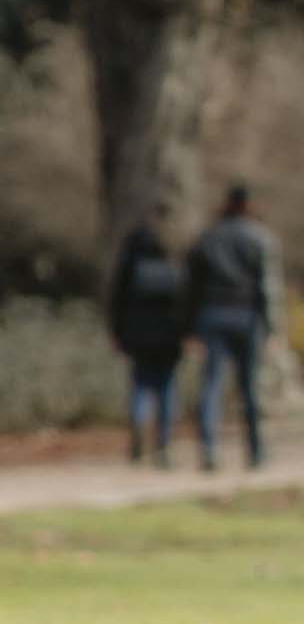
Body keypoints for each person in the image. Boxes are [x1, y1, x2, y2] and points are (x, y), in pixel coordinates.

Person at [183, 183, 280, 472]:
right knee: (249, 386)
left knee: (212, 385)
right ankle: (256, 451)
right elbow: (268, 287)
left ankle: (210, 450)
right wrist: (272, 328)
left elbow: (191, 288)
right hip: (246, 316)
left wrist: (190, 327)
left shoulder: (208, 238)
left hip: (212, 315)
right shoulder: (260, 238)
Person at [106, 220, 188, 467]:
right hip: (168, 340)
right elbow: (183, 307)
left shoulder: (129, 273)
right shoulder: (172, 270)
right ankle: (163, 445)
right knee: (166, 390)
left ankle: (139, 440)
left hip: (139, 340)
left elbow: (116, 306)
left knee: (141, 389)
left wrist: (118, 335)